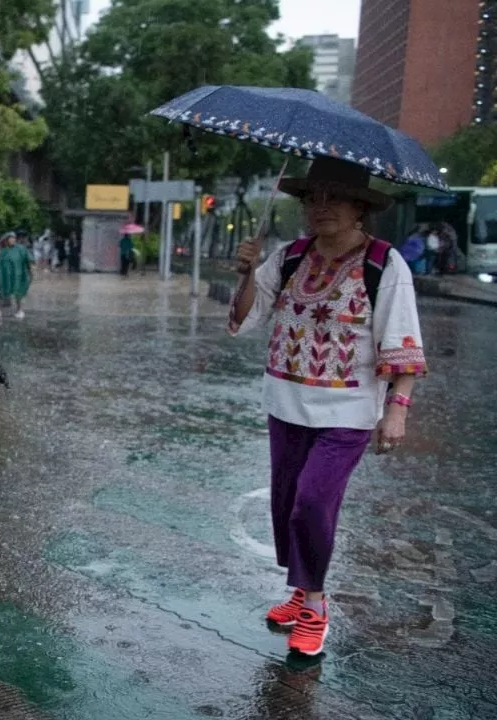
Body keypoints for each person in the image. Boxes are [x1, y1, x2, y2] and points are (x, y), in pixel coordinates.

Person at [228, 157, 426, 656]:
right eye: (311, 198)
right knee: (286, 503)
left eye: (334, 197)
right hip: (285, 403)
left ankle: (314, 605)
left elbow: (403, 342)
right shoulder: (290, 256)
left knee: (313, 502)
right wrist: (247, 273)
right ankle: (300, 590)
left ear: (359, 206)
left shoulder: (384, 263)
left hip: (348, 412)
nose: (321, 208)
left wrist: (397, 408)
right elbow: (245, 320)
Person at [0, 232, 32, 320]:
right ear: (6, 240)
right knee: (3, 291)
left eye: (14, 238)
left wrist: (30, 271)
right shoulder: (3, 251)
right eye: (10, 238)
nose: (12, 240)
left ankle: (20, 310)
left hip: (18, 274)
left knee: (18, 291)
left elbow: (28, 259)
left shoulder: (20, 249)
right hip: (6, 276)